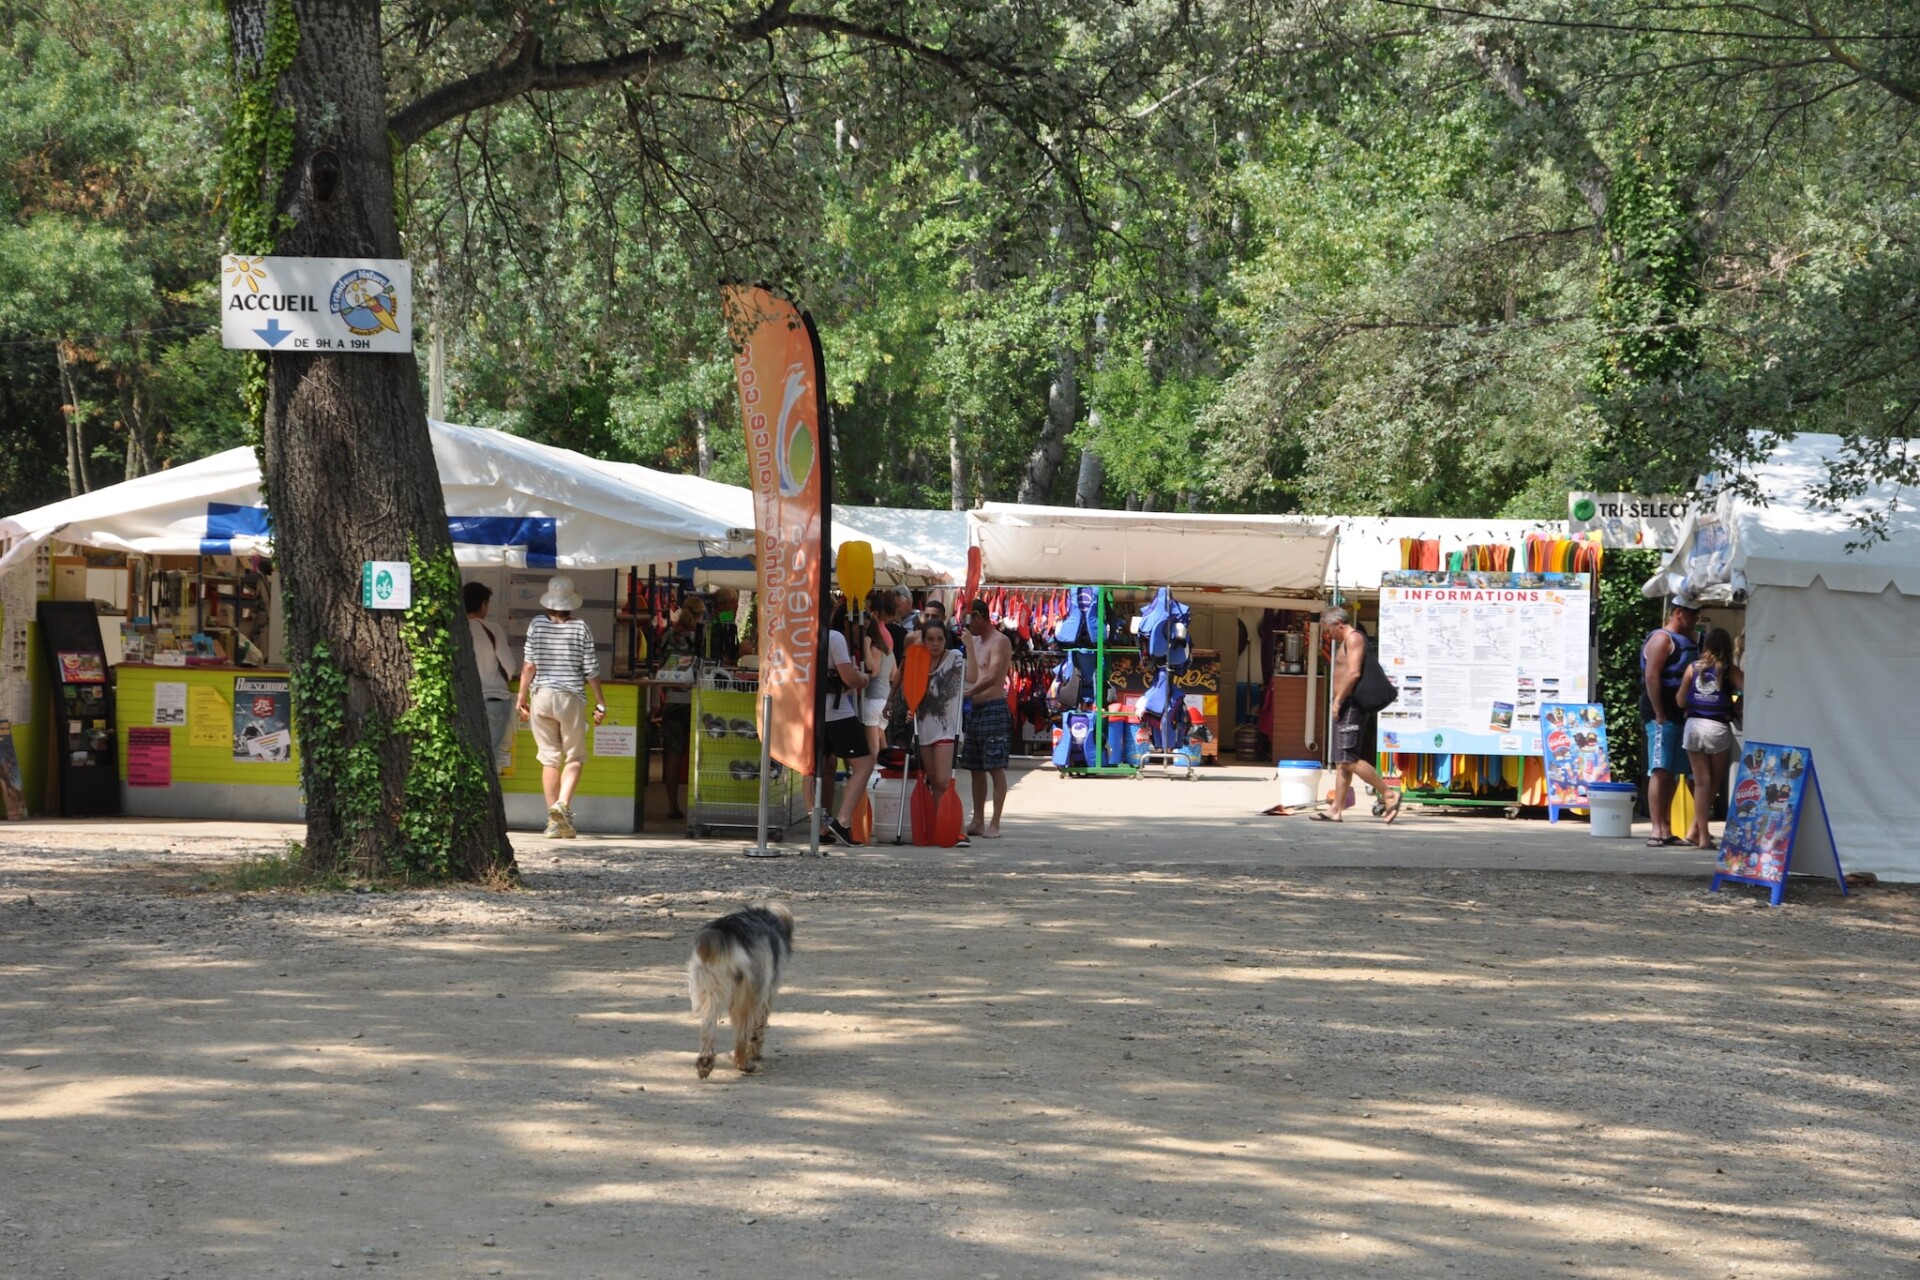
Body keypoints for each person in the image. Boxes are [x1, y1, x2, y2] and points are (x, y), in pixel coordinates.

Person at [515, 575, 605, 839]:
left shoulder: (536, 624)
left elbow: (528, 665)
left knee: (549, 758)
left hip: (541, 696)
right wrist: (600, 701)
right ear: (571, 602)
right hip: (570, 698)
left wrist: (521, 696)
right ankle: (562, 805)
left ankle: (554, 822)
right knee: (574, 756)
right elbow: (591, 670)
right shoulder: (580, 627)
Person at [1318, 606, 1400, 823]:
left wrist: (1338, 700)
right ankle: (1336, 809)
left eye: (1328, 630)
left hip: (1351, 704)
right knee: (1342, 761)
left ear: (1338, 624)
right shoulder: (1348, 640)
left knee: (1348, 759)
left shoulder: (1354, 638)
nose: (1328, 635)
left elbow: (1354, 673)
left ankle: (1388, 793)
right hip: (1346, 704)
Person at [1639, 596, 1701, 847]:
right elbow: (1652, 677)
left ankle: (1666, 828)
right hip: (1661, 714)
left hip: (1679, 714)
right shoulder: (1662, 639)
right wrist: (1659, 713)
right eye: (1692, 613)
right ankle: (1656, 829)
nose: (1696, 618)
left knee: (1673, 772)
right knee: (1660, 770)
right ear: (1678, 612)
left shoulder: (1688, 640)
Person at [1679, 626, 1742, 850]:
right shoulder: (1730, 670)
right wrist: (1735, 705)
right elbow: (1750, 690)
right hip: (1717, 727)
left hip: (1693, 726)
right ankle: (1704, 837)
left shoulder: (1692, 668)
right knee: (1712, 782)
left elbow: (1680, 701)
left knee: (1701, 783)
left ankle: (1695, 832)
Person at [821, 605, 875, 847]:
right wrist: (863, 679)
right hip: (836, 713)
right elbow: (849, 678)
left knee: (820, 768)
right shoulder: (835, 637)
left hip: (811, 711)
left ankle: (821, 826)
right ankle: (842, 821)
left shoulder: (802, 635)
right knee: (864, 765)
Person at [960, 597, 1012, 837]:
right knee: (975, 767)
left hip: (993, 706)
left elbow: (992, 676)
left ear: (979, 617)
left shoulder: (1000, 641)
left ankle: (995, 823)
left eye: (969, 620)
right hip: (975, 710)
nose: (967, 625)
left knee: (995, 767)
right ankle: (978, 820)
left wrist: (969, 693)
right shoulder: (973, 641)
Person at [913, 620, 967, 847]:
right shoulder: (918, 660)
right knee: (934, 781)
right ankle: (942, 828)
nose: (935, 644)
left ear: (946, 640)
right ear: (923, 641)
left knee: (945, 781)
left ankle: (960, 831)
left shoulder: (955, 657)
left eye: (939, 639)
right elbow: (909, 688)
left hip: (947, 727)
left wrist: (970, 647)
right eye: (930, 639)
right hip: (924, 726)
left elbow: (973, 676)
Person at [652, 594, 706, 820]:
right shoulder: (700, 637)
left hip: (673, 700)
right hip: (697, 699)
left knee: (673, 755)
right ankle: (699, 805)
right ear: (700, 615)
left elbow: (658, 665)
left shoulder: (667, 635)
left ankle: (672, 806)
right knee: (700, 753)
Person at [464, 581, 516, 773]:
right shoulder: (492, 629)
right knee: (489, 756)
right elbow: (509, 667)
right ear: (483, 604)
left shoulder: (454, 629)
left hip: (465, 703)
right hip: (494, 700)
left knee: (466, 754)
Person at [859, 610, 896, 761]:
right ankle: (884, 767)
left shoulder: (874, 648)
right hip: (885, 699)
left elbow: (872, 670)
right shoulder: (888, 649)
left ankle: (871, 772)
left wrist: (866, 646)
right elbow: (894, 674)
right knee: (879, 743)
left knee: (872, 749)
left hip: (873, 699)